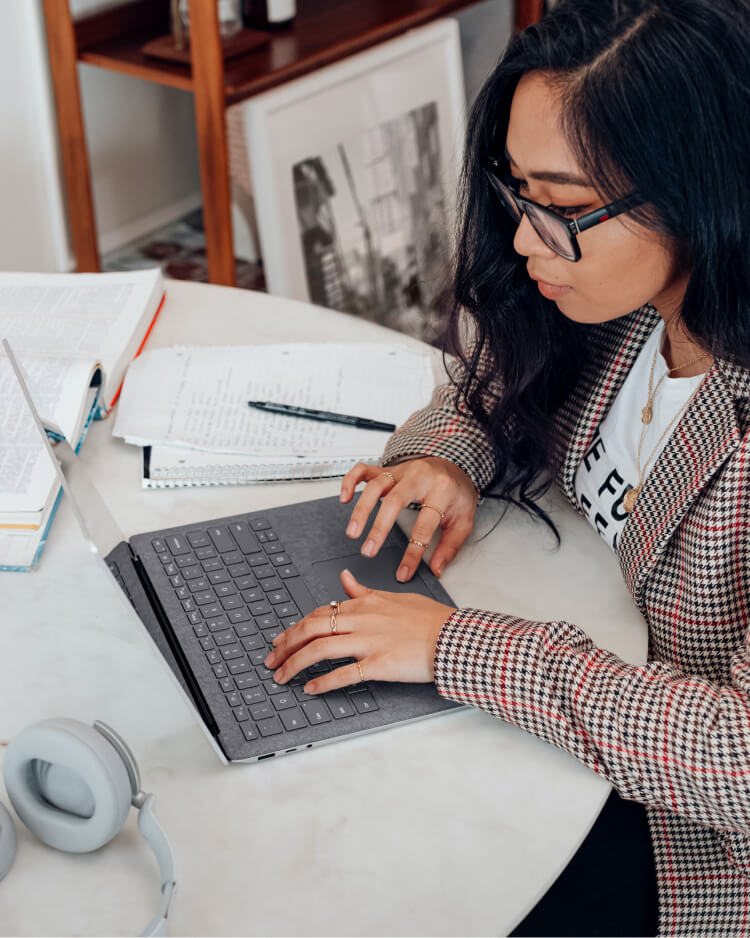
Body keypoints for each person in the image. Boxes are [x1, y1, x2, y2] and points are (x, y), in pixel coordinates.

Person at [264, 0, 750, 933]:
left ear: (707, 190)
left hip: (687, 838)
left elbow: (737, 760)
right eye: (517, 191)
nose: (525, 240)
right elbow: (503, 374)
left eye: (563, 209)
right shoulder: (628, 301)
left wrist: (457, 649)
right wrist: (449, 457)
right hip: (563, 709)